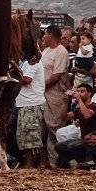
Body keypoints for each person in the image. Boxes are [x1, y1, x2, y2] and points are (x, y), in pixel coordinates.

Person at [41, 24, 70, 166]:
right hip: (44, 93)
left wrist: (40, 87)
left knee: (56, 127)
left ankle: (63, 160)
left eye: (45, 34)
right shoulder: (45, 50)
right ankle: (51, 162)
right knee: (46, 128)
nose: (43, 37)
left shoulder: (61, 51)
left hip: (56, 93)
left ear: (51, 35)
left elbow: (56, 76)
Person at [54, 83, 96, 167]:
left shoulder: (94, 106)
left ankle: (89, 162)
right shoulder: (79, 108)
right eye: (78, 91)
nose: (79, 93)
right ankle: (74, 163)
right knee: (59, 146)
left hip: (92, 140)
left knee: (74, 146)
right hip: (82, 139)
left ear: (89, 94)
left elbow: (87, 115)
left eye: (82, 91)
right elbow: (64, 118)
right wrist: (65, 103)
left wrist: (79, 100)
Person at [15, 55, 47, 168]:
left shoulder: (32, 62)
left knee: (33, 135)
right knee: (25, 136)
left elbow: (27, 79)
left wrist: (11, 76)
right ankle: (30, 162)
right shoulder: (25, 63)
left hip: (32, 103)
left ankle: (43, 160)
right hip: (26, 103)